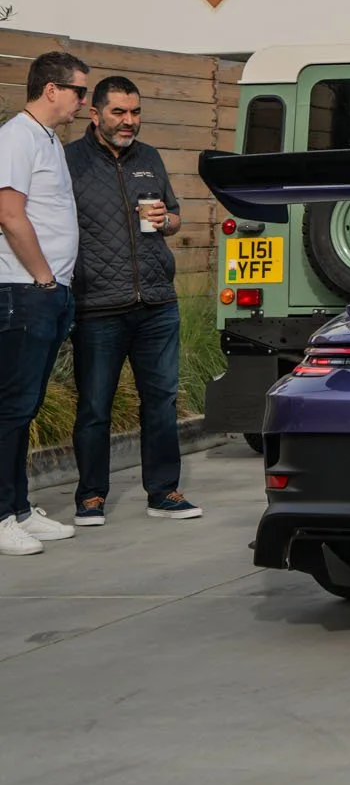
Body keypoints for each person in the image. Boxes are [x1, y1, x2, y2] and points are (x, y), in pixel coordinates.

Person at [66, 76, 202, 524]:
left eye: (136, 112)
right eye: (119, 112)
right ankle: (90, 496)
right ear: (95, 114)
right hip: (98, 306)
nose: (129, 121)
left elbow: (176, 216)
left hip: (157, 303)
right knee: (94, 406)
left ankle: (163, 492)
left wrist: (168, 221)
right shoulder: (69, 162)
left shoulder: (151, 158)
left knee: (160, 402)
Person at [0, 51, 89, 556]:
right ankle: (1, 515)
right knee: (12, 407)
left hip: (48, 292)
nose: (83, 100)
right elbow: (10, 214)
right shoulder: (16, 137)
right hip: (23, 290)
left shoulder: (49, 140)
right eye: (78, 90)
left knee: (26, 405)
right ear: (51, 89)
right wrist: (42, 278)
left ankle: (17, 507)